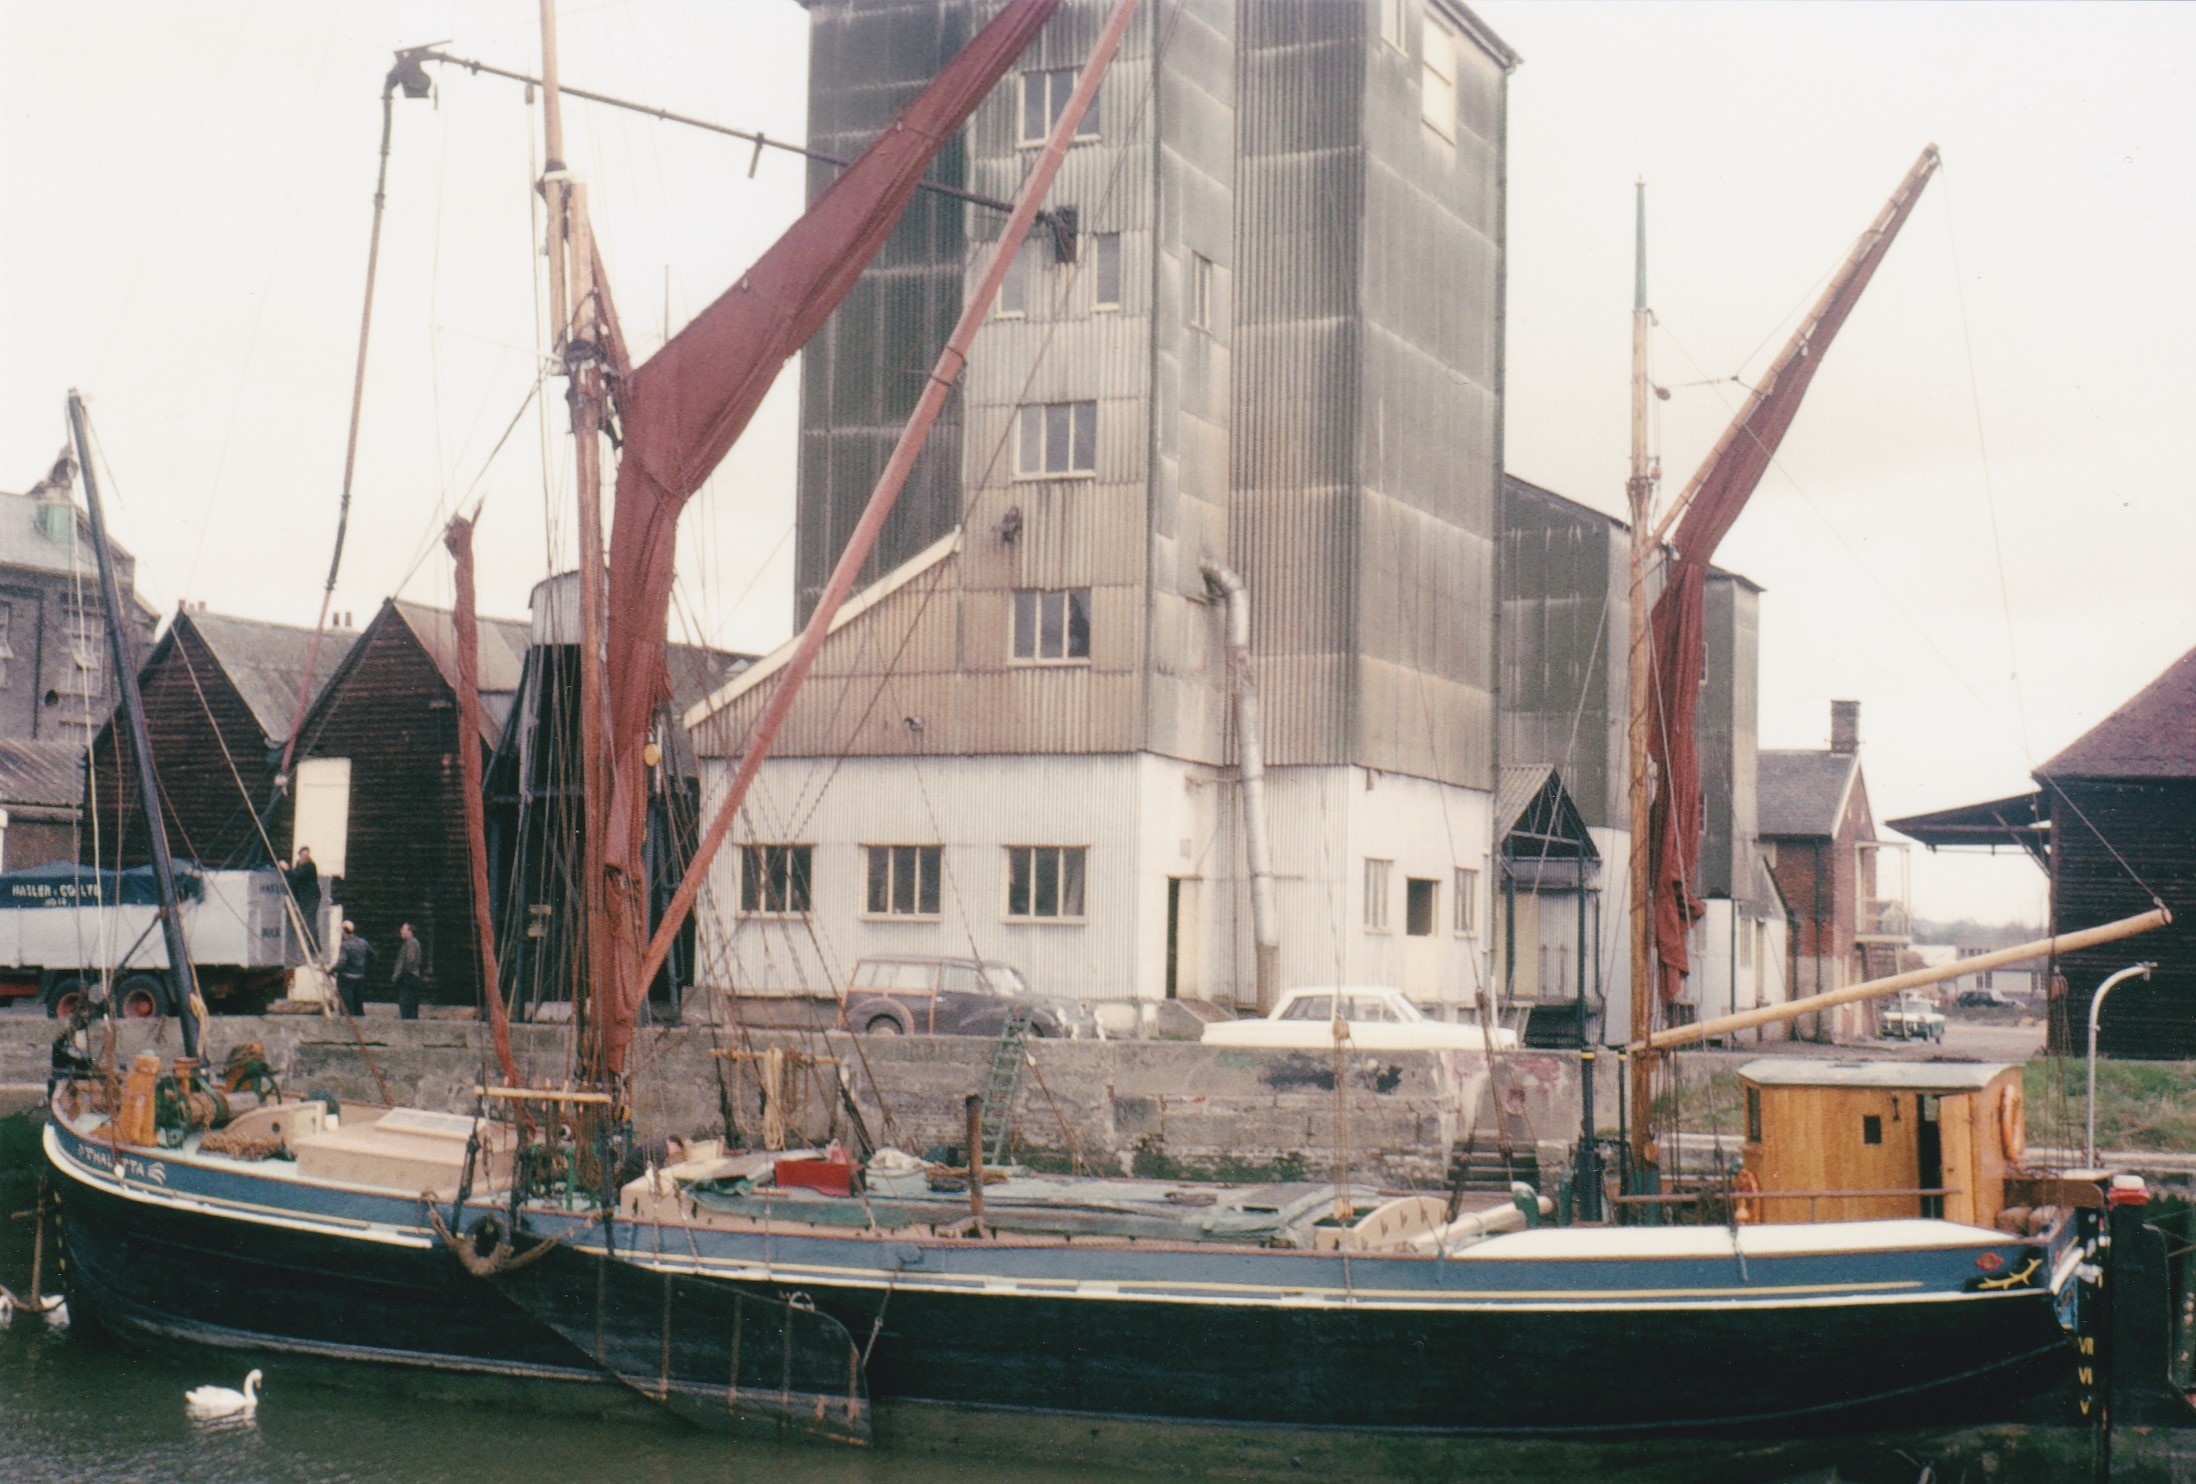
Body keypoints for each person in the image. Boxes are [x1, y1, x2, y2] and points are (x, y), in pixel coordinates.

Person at [286, 847, 321, 952]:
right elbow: (295, 881)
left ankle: (314, 947)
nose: (305, 857)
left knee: (309, 920)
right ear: (300, 855)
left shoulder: (310, 866)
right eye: (303, 855)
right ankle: (313, 946)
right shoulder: (299, 865)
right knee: (307, 921)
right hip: (304, 898)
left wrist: (286, 869)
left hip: (312, 897)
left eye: (307, 855)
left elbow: (296, 875)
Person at [334, 921, 369, 1017]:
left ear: (343, 932)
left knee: (347, 1008)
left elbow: (341, 963)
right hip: (360, 978)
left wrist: (331, 971)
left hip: (346, 979)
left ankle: (347, 1025)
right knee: (358, 1006)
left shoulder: (345, 945)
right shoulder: (363, 943)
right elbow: (373, 956)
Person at [392, 922, 424, 1022]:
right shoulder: (409, 943)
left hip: (409, 977)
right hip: (409, 977)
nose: (401, 931)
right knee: (409, 1005)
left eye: (403, 929)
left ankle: (408, 1026)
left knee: (407, 1006)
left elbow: (410, 960)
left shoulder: (411, 943)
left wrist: (400, 975)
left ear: (410, 931)